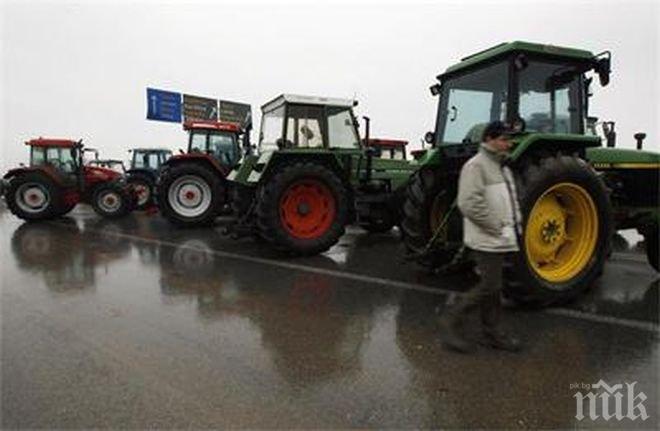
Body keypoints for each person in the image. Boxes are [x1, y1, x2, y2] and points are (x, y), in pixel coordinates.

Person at [439, 120, 522, 353]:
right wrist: (496, 226)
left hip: (501, 236)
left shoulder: (501, 166)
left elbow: (509, 199)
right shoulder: (476, 166)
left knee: (494, 287)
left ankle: (492, 333)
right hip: (487, 237)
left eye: (509, 139)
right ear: (489, 140)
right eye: (504, 139)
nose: (509, 143)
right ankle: (451, 321)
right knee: (489, 286)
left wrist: (516, 224)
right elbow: (469, 203)